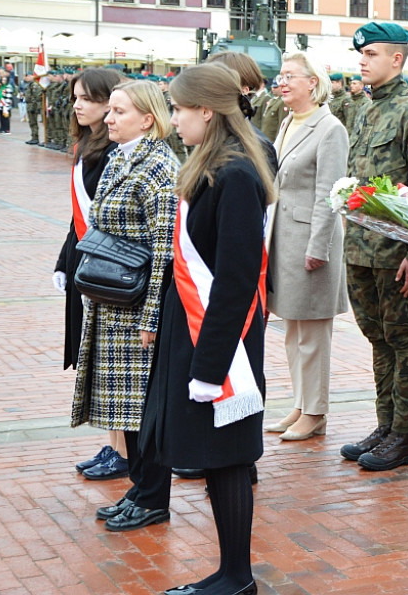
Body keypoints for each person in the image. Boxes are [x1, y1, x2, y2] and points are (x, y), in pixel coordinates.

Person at [141, 63, 276, 595]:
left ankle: (237, 576)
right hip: (193, 328)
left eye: (177, 108)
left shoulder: (237, 174)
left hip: (222, 339)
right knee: (218, 456)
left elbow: (238, 279)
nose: (172, 119)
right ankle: (229, 572)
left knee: (229, 455)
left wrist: (210, 364)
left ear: (205, 110)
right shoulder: (211, 165)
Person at [339, 22, 408, 471]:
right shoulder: (365, 109)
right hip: (361, 248)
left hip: (397, 254)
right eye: (361, 55)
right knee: (377, 340)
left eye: (372, 55)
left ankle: (404, 435)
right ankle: (385, 425)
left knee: (402, 340)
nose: (362, 61)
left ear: (397, 59)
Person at [74, 79, 180, 532]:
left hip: (136, 307)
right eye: (110, 110)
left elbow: (164, 252)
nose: (109, 118)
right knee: (126, 410)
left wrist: (153, 315)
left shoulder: (159, 168)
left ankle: (154, 495)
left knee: (141, 409)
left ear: (147, 119)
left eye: (119, 111)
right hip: (113, 300)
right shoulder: (121, 155)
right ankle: (139, 486)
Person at [264, 52, 349, 441]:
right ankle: (301, 403)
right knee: (293, 329)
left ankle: (316, 412)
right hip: (284, 238)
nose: (282, 82)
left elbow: (328, 194)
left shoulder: (329, 128)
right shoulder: (288, 122)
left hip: (312, 243)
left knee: (313, 333)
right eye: (281, 76)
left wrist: (318, 246)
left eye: (290, 76)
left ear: (312, 82)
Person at [54, 68, 129, 480]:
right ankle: (114, 443)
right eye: (76, 98)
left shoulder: (113, 151)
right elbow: (78, 215)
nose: (78, 105)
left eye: (87, 98)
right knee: (99, 359)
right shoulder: (88, 144)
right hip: (89, 262)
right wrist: (64, 261)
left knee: (112, 362)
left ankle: (123, 449)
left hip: (111, 271)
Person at [25, 73, 44, 145]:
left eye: (27, 76)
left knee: (34, 122)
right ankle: (33, 137)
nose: (26, 78)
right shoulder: (29, 85)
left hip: (33, 106)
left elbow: (36, 97)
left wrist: (33, 107)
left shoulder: (34, 85)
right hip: (29, 105)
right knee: (31, 122)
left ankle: (35, 138)